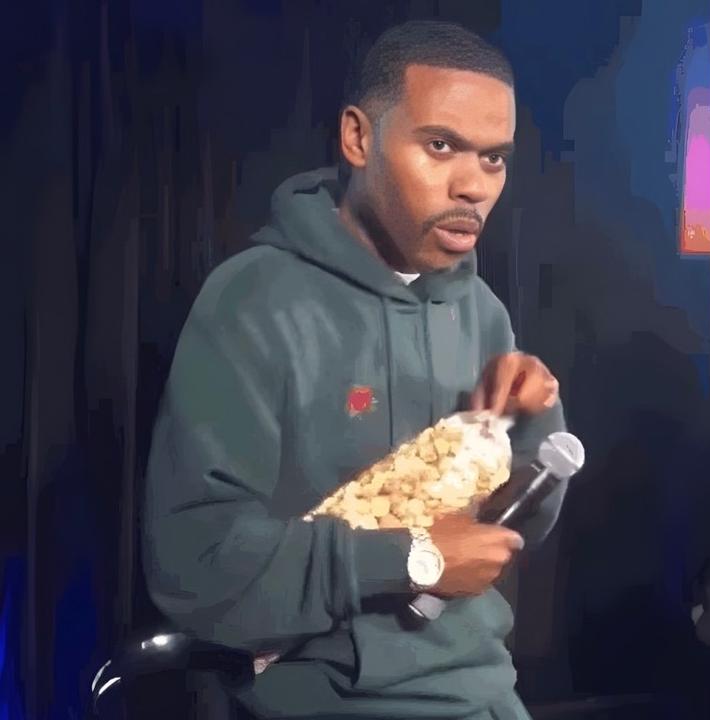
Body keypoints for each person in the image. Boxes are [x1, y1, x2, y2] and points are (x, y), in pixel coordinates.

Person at [142, 20, 567, 720]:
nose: (473, 186)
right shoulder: (252, 302)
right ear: (357, 138)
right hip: (325, 702)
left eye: (494, 158)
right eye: (441, 146)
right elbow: (196, 565)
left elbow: (511, 530)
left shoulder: (481, 309)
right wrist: (414, 558)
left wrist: (536, 422)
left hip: (487, 692)